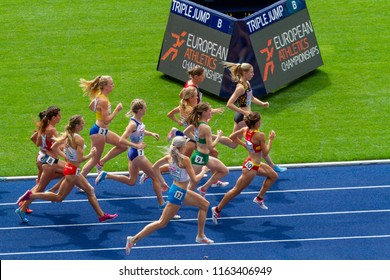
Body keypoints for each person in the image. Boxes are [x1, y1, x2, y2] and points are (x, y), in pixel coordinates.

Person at [16, 115, 118, 223]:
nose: (84, 125)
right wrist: (91, 154)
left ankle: (101, 215)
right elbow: (80, 159)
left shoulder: (67, 135)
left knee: (90, 190)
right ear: (77, 126)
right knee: (59, 198)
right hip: (73, 171)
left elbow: (54, 147)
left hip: (70, 169)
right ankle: (31, 195)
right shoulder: (79, 139)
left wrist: (66, 156)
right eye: (82, 123)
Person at [125, 136, 213, 255]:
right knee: (162, 222)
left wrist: (162, 182)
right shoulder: (185, 160)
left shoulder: (169, 158)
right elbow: (195, 179)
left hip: (178, 190)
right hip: (178, 193)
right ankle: (133, 239)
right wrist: (203, 171)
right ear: (183, 147)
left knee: (205, 204)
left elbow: (154, 168)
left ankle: (200, 235)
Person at [95, 99, 166, 209]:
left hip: (134, 154)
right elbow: (121, 140)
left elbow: (141, 131)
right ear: (140, 110)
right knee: (155, 177)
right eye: (145, 108)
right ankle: (162, 203)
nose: (146, 109)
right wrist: (136, 145)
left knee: (131, 181)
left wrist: (151, 133)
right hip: (137, 154)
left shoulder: (139, 121)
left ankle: (106, 175)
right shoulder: (132, 124)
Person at [211, 112, 278, 224]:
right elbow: (265, 152)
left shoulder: (245, 130)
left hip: (253, 163)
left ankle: (259, 198)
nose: (261, 122)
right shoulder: (260, 135)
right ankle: (217, 209)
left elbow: (232, 137)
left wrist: (244, 145)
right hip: (251, 167)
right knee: (236, 190)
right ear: (256, 123)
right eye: (260, 120)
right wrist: (271, 139)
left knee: (273, 176)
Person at [223, 62, 287, 173]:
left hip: (246, 116)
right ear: (244, 72)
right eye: (251, 72)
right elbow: (229, 104)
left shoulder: (247, 83)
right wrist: (244, 112)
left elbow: (251, 98)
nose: (253, 74)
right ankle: (272, 166)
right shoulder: (240, 88)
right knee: (259, 142)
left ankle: (212, 137)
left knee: (233, 144)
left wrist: (262, 104)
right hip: (244, 118)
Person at [16, 106, 66, 220]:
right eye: (58, 115)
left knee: (68, 173)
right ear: (53, 117)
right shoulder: (52, 129)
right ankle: (22, 208)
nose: (60, 117)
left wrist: (45, 148)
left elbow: (36, 141)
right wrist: (68, 143)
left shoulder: (43, 127)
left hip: (41, 157)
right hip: (49, 160)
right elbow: (59, 147)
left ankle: (52, 190)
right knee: (40, 188)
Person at [79, 75, 127, 176]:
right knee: (93, 159)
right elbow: (106, 121)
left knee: (123, 145)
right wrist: (116, 111)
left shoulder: (100, 96)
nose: (113, 86)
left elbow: (91, 106)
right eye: (111, 84)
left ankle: (101, 163)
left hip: (102, 131)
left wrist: (98, 112)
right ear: (105, 86)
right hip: (98, 132)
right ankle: (80, 180)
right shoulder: (103, 100)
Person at [183, 102, 229, 196]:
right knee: (190, 185)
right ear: (204, 112)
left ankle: (204, 188)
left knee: (224, 171)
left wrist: (196, 139)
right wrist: (219, 136)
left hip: (204, 156)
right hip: (199, 158)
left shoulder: (196, 123)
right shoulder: (206, 127)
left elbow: (186, 131)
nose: (211, 112)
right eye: (209, 110)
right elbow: (211, 147)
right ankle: (175, 202)